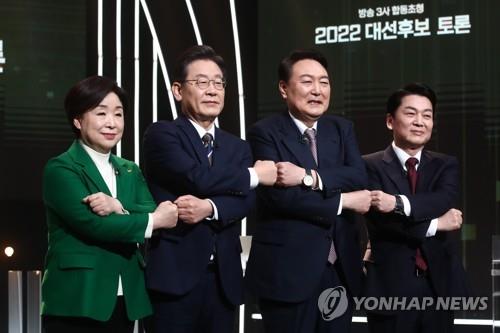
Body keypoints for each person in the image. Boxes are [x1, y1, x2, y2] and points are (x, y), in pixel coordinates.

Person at [143, 45, 276, 333]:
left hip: (223, 280)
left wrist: (210, 208)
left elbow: (246, 201)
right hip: (174, 277)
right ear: (178, 90)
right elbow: (198, 178)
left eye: (218, 83)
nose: (212, 90)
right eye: (202, 82)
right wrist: (254, 174)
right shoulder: (162, 134)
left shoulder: (237, 146)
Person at [245, 49, 371, 333]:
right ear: (283, 88)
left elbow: (357, 176)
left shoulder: (341, 129)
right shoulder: (264, 133)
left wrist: (308, 178)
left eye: (324, 82)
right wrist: (344, 201)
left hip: (339, 271)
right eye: (307, 81)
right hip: (287, 273)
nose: (317, 90)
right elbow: (280, 197)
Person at [41, 76, 178, 333]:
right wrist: (154, 220)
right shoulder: (61, 168)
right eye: (101, 113)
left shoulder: (129, 169)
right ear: (78, 120)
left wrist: (118, 206)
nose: (112, 123)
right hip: (78, 296)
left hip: (125, 294)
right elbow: (93, 224)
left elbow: (148, 208)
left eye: (118, 114)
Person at [363, 82, 468, 333]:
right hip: (389, 288)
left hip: (438, 288)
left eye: (427, 115)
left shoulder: (445, 165)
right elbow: (384, 222)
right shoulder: (368, 165)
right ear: (390, 121)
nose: (420, 121)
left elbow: (442, 200)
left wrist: (397, 203)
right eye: (411, 113)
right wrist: (436, 224)